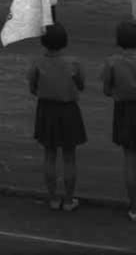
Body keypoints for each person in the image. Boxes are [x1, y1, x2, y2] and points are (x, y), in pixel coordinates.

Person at [29, 22, 85, 211]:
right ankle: (69, 200)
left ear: (43, 42)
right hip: (68, 110)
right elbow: (81, 85)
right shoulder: (73, 63)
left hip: (46, 110)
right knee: (69, 157)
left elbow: (32, 88)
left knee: (49, 155)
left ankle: (53, 198)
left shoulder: (38, 62)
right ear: (65, 42)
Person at [101, 19, 136, 222]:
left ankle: (135, 209)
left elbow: (107, 91)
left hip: (125, 111)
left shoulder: (112, 62)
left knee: (130, 160)